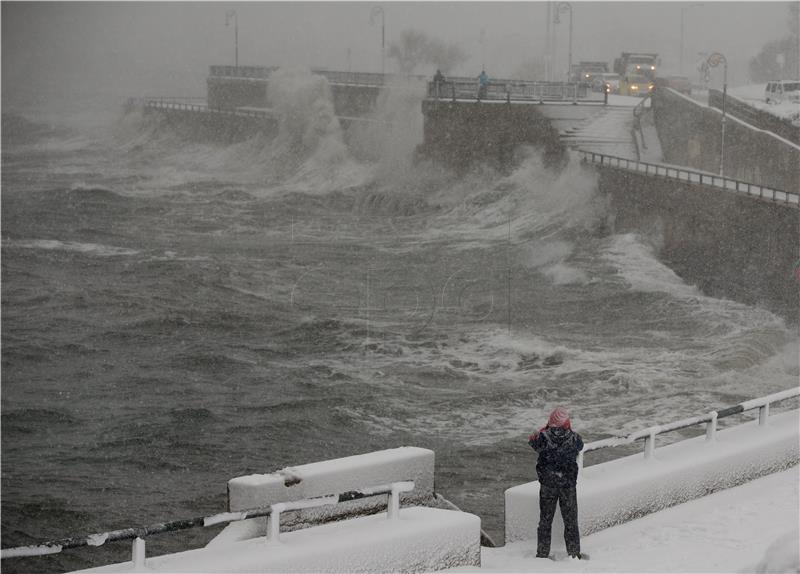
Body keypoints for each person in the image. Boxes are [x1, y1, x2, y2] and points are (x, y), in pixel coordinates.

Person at [528, 406, 584, 559]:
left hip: (548, 484)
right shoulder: (574, 438)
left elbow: (532, 442)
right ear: (566, 422)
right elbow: (580, 446)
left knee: (545, 521)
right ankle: (573, 553)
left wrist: (543, 430)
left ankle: (542, 553)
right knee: (571, 521)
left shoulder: (543, 437)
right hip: (568, 485)